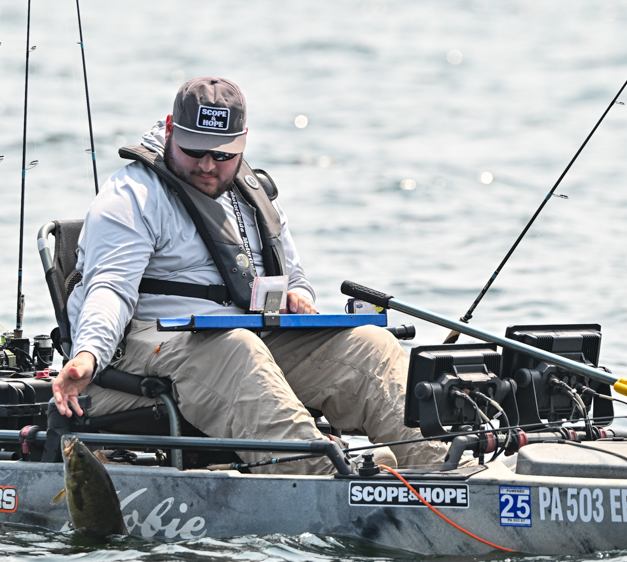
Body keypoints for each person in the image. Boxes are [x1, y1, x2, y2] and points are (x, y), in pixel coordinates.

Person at [52, 76, 448, 474]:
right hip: (147, 344)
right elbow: (109, 289)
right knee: (236, 348)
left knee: (370, 345)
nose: (207, 165)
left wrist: (299, 298)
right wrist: (87, 356)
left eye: (222, 154)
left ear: (243, 141)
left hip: (246, 341)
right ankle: (323, 476)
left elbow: (294, 278)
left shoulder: (253, 194)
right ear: (171, 129)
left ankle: (445, 471)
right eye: (194, 150)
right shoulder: (131, 195)